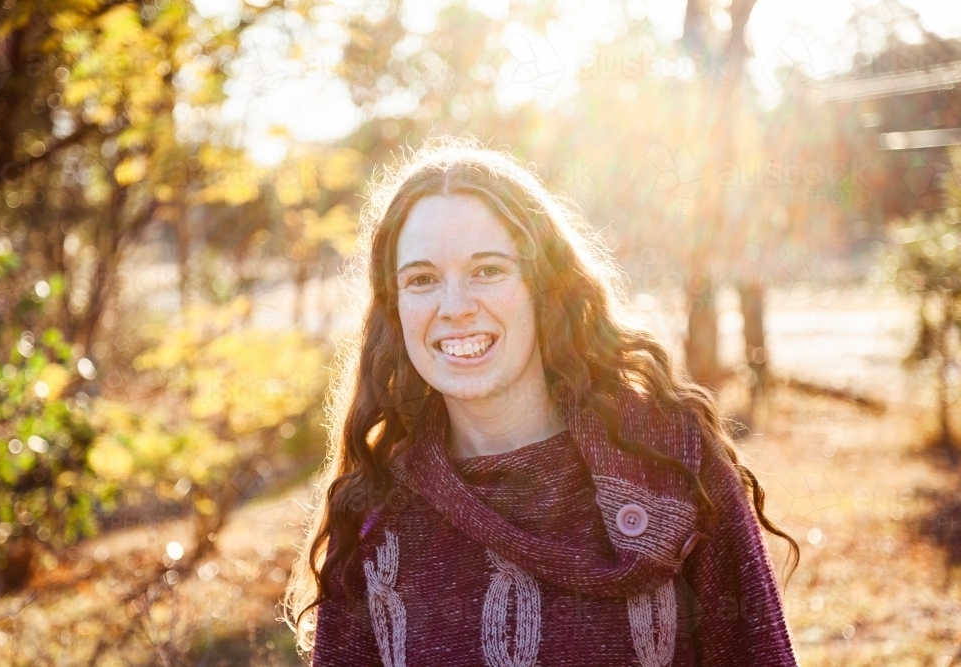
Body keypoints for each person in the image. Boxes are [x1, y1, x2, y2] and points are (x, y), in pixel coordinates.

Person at [284, 136, 800, 666]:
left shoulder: (673, 466)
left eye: (487, 270)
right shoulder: (373, 517)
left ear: (542, 286)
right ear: (396, 310)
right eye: (422, 279)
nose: (455, 306)